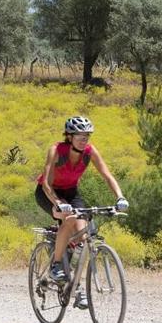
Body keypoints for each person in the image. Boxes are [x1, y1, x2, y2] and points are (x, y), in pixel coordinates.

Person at [35, 116, 129, 309]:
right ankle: (56, 265)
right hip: (49, 192)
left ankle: (75, 287)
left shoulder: (89, 151)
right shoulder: (57, 151)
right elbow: (46, 183)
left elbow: (107, 175)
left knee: (84, 233)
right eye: (79, 135)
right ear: (69, 136)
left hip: (71, 192)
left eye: (87, 135)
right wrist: (58, 203)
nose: (84, 138)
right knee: (68, 219)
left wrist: (120, 197)